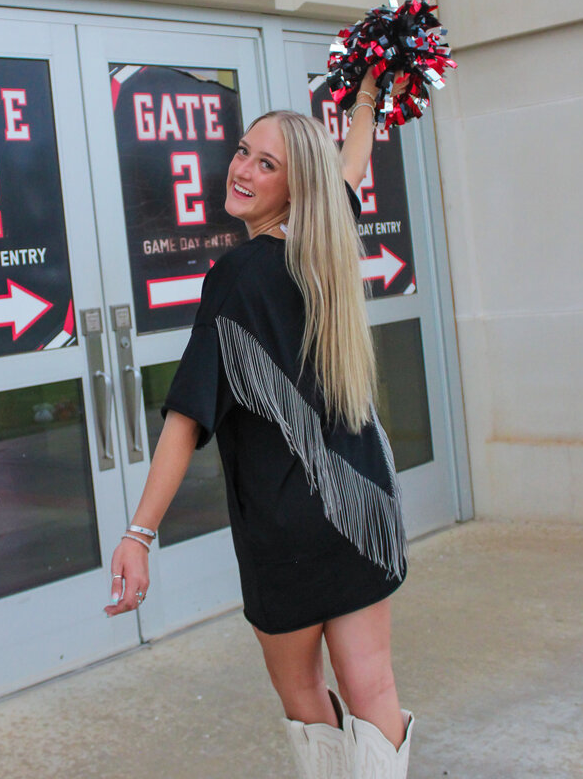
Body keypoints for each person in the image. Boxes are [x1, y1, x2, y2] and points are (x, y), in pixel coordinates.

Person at [104, 73, 413, 779]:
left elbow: (189, 415)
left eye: (265, 163)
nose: (242, 169)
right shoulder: (327, 247)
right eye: (244, 151)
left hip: (288, 524)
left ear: (293, 186)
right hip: (366, 503)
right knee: (377, 690)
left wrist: (139, 534)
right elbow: (349, 171)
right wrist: (364, 103)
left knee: (304, 689)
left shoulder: (238, 274)